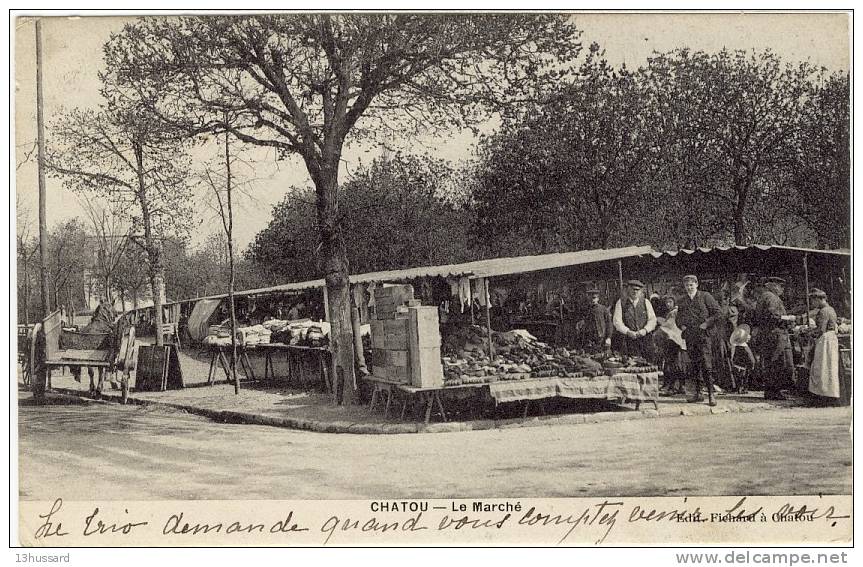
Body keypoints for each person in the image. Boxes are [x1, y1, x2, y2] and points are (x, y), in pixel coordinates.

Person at [676, 275, 722, 406]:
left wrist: (706, 323)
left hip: (704, 336)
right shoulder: (683, 300)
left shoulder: (705, 296)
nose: (689, 288)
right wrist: (682, 325)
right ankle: (697, 394)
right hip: (690, 336)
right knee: (694, 365)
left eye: (691, 285)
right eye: (686, 286)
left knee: (706, 365)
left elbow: (718, 313)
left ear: (696, 284)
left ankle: (711, 395)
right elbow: (678, 318)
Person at [752, 276, 796, 400]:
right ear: (773, 286)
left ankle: (771, 390)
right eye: (781, 286)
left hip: (768, 334)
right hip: (775, 334)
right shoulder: (771, 297)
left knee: (771, 363)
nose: (782, 289)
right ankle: (774, 391)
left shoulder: (764, 296)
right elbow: (772, 316)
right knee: (777, 362)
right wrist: (789, 318)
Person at [807, 288, 840, 401]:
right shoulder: (831, 309)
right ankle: (829, 393)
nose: (812, 303)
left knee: (821, 367)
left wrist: (807, 331)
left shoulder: (823, 311)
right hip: (831, 338)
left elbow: (820, 329)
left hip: (825, 339)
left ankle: (822, 394)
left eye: (813, 300)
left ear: (819, 299)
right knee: (829, 367)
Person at [612, 279, 657, 361]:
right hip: (628, 340)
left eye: (637, 290)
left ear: (641, 291)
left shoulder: (646, 302)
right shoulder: (621, 303)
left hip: (645, 339)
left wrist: (645, 330)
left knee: (648, 363)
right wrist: (628, 331)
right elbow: (617, 321)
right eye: (633, 289)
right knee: (631, 363)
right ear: (628, 289)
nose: (635, 292)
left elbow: (652, 320)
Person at [656, 295, 687, 395]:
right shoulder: (670, 313)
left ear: (674, 302)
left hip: (676, 340)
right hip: (674, 340)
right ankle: (679, 386)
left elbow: (668, 326)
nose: (668, 304)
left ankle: (674, 387)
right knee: (676, 363)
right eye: (666, 302)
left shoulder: (674, 313)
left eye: (670, 302)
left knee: (675, 364)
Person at [580, 289, 613, 353]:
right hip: (589, 338)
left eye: (594, 298)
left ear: (598, 299)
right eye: (590, 298)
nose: (592, 300)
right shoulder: (586, 309)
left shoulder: (603, 309)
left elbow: (609, 324)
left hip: (601, 337)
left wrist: (608, 337)